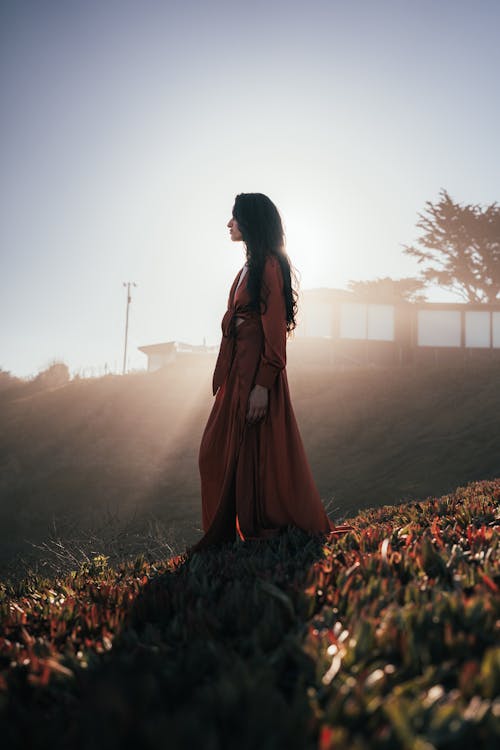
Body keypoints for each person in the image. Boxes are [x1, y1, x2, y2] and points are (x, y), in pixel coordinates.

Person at [189, 192, 350, 553]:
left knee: (256, 452)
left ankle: (252, 529)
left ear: (251, 222)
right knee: (214, 451)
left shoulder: (270, 266)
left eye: (235, 218)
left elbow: (275, 330)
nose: (229, 224)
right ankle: (231, 531)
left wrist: (263, 384)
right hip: (237, 370)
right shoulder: (249, 265)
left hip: (255, 373)